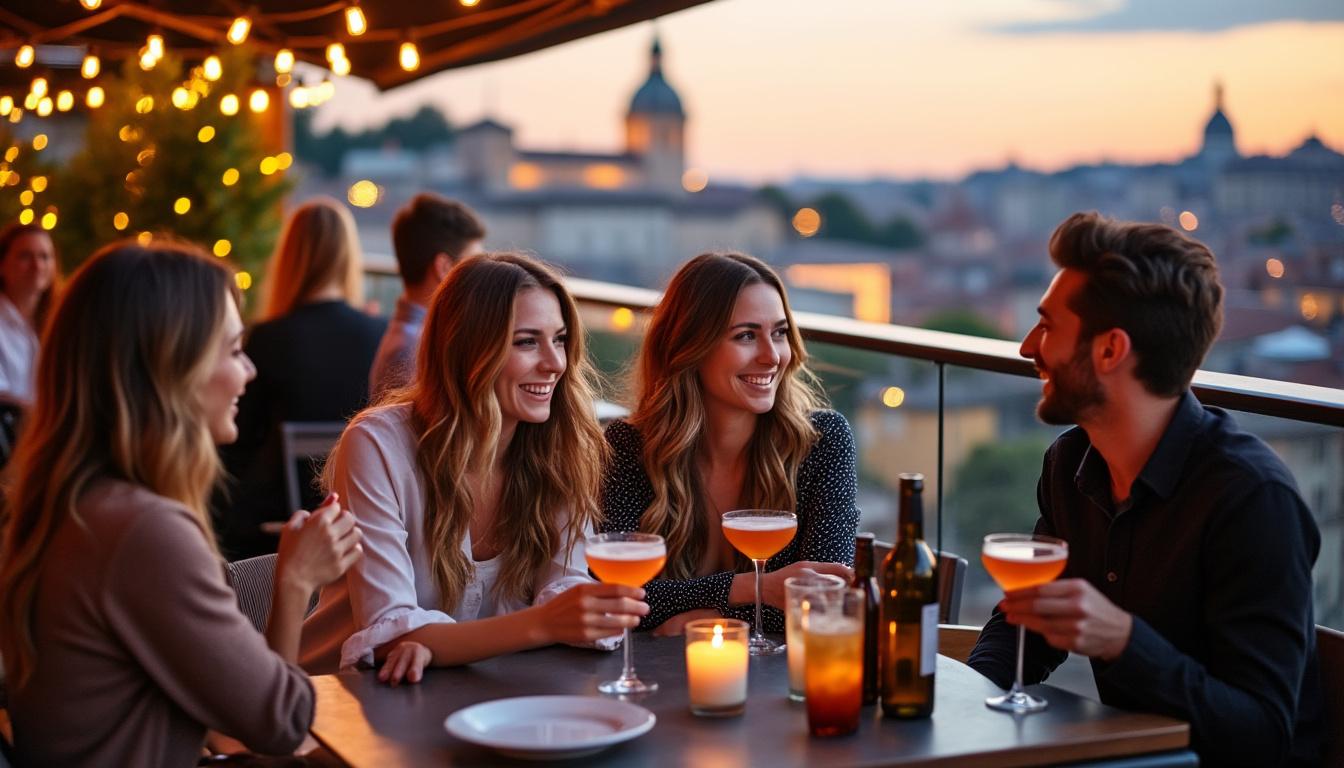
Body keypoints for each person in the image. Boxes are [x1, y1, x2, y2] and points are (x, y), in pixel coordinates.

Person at [967, 212, 1323, 766]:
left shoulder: (1251, 498)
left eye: (1048, 327)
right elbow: (1027, 628)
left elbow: (1262, 735)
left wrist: (1123, 642)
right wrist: (962, 698)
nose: (1027, 347)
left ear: (1110, 351)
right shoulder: (1070, 462)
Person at [0, 240, 363, 767]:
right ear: (172, 365)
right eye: (235, 350)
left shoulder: (76, 501)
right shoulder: (140, 531)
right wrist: (294, 582)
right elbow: (281, 722)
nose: (250, 372)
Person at [301, 252, 647, 682]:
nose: (555, 362)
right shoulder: (377, 444)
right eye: (526, 342)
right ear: (468, 352)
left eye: (559, 339)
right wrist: (543, 624)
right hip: (337, 704)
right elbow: (387, 632)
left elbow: (564, 585)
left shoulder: (563, 443)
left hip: (473, 696)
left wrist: (579, 614)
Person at [601, 252, 857, 636]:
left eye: (780, 333)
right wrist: (753, 589)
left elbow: (822, 601)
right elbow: (614, 599)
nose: (772, 357)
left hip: (785, 685)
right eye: (746, 336)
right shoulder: (628, 447)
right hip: (662, 684)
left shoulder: (822, 443)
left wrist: (689, 619)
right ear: (690, 347)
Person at [217, 197, 387, 560]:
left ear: (290, 259)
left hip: (275, 530)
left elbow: (238, 445)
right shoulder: (380, 334)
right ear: (348, 258)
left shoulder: (265, 338)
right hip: (365, 519)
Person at [368, 192, 485, 400]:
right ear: (444, 267)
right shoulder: (415, 349)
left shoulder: (409, 338)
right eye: (473, 266)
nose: (481, 277)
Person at [0, 222, 59, 408]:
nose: (37, 265)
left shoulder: (62, 320)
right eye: (25, 256)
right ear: (2, 264)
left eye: (45, 256)